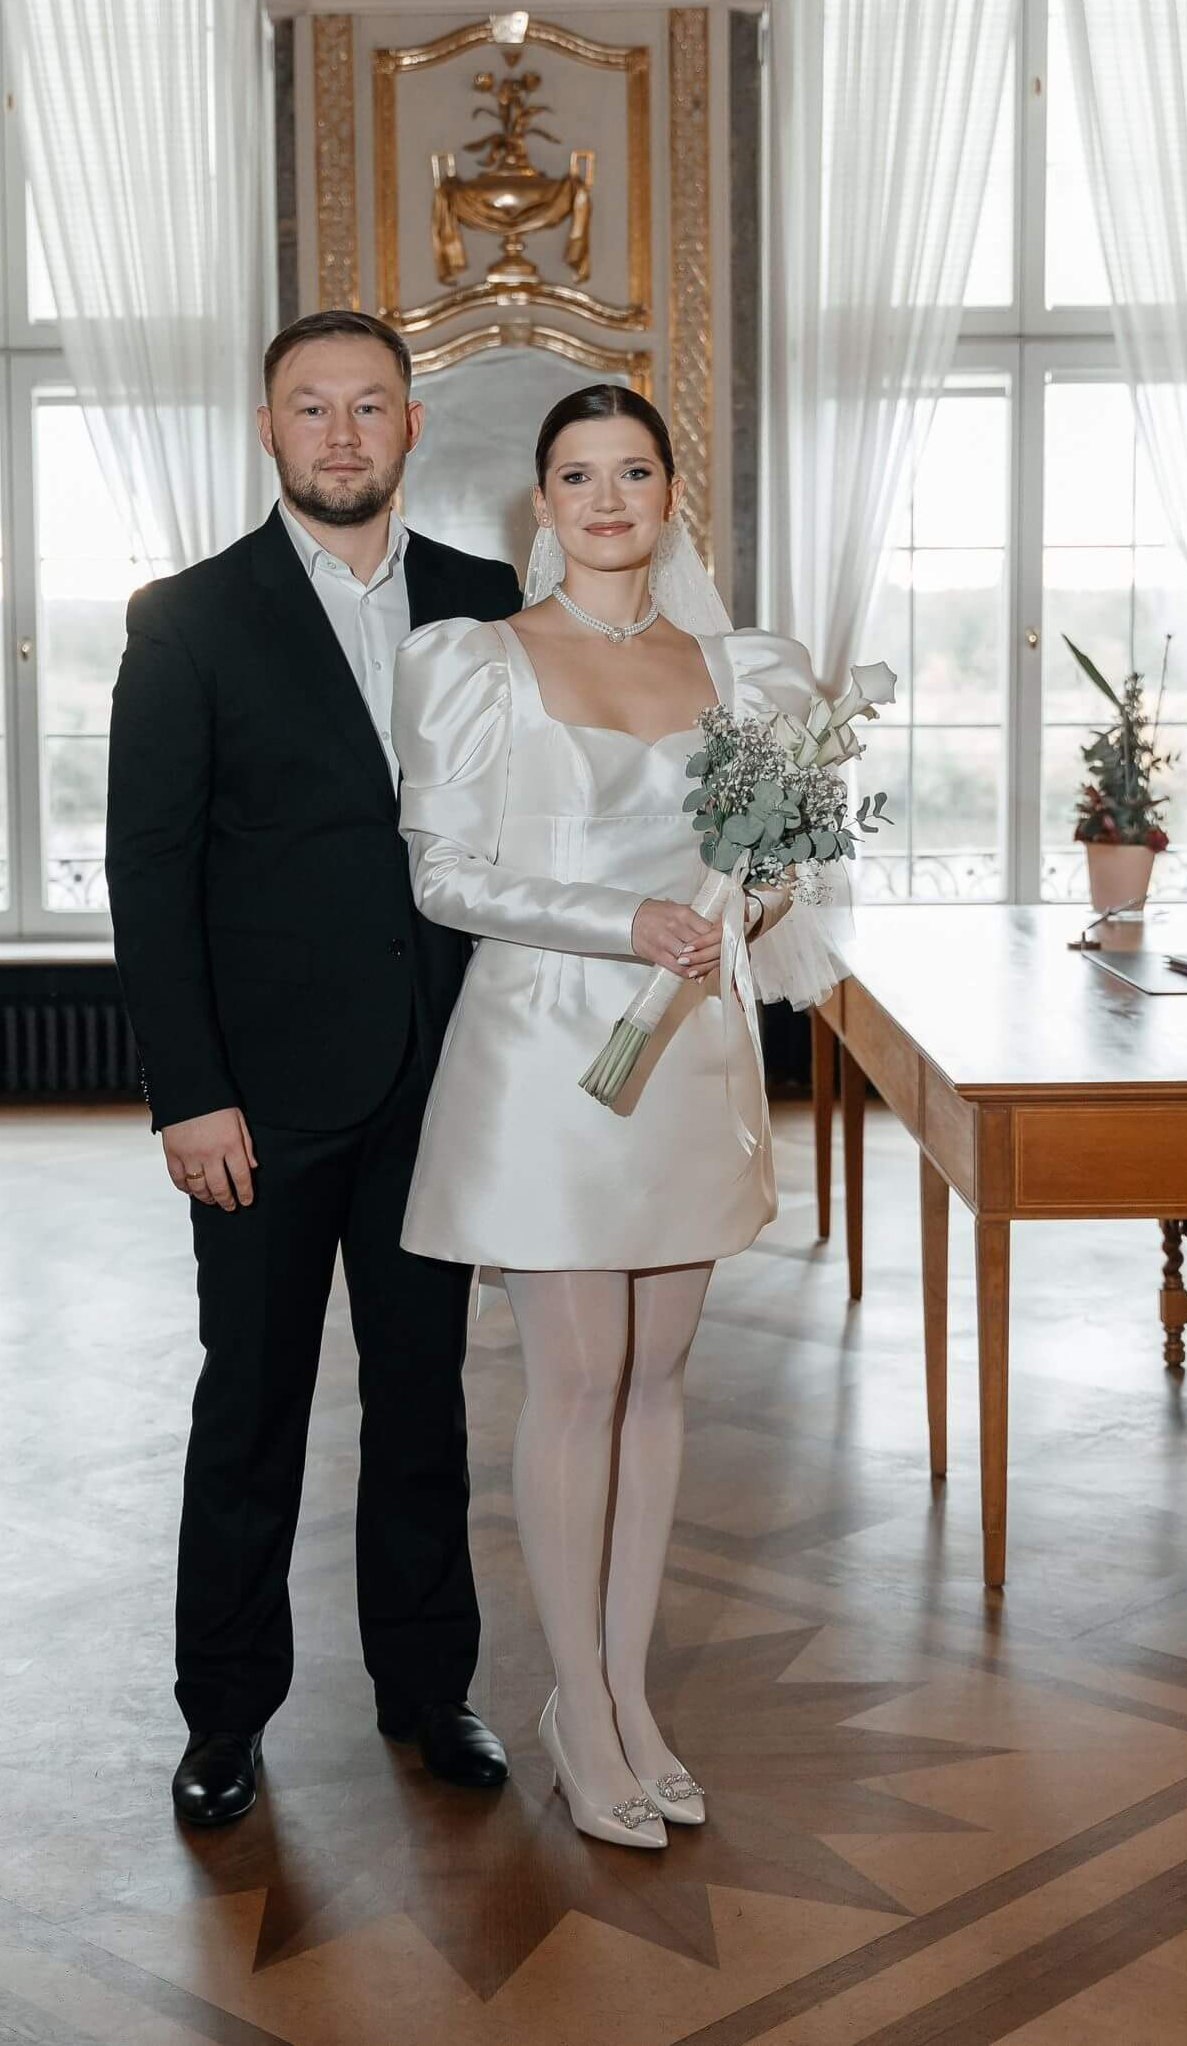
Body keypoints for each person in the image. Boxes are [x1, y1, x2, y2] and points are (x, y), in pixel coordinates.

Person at [390, 385, 831, 1849]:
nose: (607, 497)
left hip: (691, 1059)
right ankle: (573, 1709)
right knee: (577, 1383)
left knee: (659, 1383)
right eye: (577, 473)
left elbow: (770, 878)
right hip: (547, 1063)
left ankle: (632, 1698)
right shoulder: (476, 663)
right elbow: (443, 875)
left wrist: (745, 896)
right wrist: (619, 917)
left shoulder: (745, 672)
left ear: (668, 496)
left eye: (633, 471)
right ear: (541, 504)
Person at [105, 309, 521, 1828]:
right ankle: (224, 1713)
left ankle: (431, 1689)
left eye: (369, 407)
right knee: (255, 1401)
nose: (341, 434)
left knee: (425, 1402)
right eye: (310, 408)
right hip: (261, 1104)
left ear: (411, 429)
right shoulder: (190, 618)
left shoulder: (487, 600)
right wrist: (188, 1093)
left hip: (444, 1077)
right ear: (267, 430)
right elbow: (147, 875)